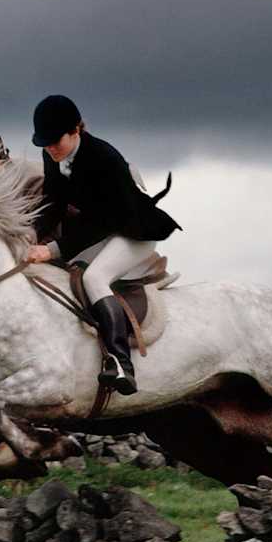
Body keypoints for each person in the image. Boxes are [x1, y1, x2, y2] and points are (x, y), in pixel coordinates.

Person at [24, 94, 180, 396]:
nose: (50, 149)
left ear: (76, 131)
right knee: (67, 272)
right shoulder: (52, 154)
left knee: (94, 278)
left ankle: (121, 364)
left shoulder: (104, 158)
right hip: (102, 231)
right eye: (45, 143)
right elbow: (54, 202)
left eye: (56, 141)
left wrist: (53, 248)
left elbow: (104, 221)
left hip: (133, 231)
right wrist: (31, 234)